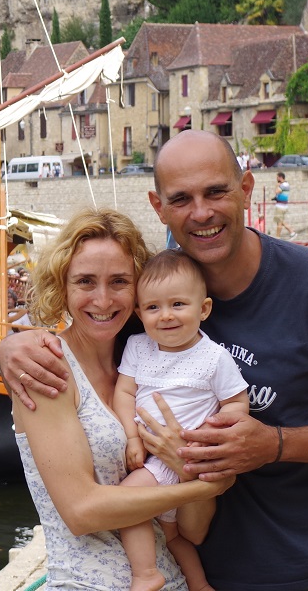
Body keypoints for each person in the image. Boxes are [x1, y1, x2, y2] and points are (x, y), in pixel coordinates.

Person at [1, 130, 308, 591]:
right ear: (158, 207)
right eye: (181, 198)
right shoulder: (152, 302)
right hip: (202, 572)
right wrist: (11, 345)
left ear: (246, 189)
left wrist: (277, 444)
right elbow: (87, 319)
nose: (202, 212)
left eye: (216, 192)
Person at [12, 207, 229, 591]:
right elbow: (81, 513)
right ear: (62, 285)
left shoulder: (153, 369)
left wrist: (185, 464)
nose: (103, 299)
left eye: (119, 281)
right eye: (85, 281)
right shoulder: (47, 369)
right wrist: (206, 484)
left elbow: (193, 531)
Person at [115, 251, 250, 591]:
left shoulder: (214, 358)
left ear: (203, 309)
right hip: (151, 457)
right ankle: (200, 585)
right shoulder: (137, 346)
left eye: (178, 304)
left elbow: (236, 402)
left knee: (125, 502)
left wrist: (211, 436)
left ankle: (145, 574)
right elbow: (124, 392)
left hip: (184, 456)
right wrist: (132, 437)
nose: (166, 316)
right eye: (153, 307)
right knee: (174, 537)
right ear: (139, 313)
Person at [270, 171, 295, 239]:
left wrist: (277, 186)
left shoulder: (283, 185)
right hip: (284, 205)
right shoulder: (287, 184)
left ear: (280, 177)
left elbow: (277, 191)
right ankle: (291, 232)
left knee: (279, 222)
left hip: (280, 206)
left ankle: (281, 236)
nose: (276, 179)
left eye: (277, 177)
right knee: (280, 221)